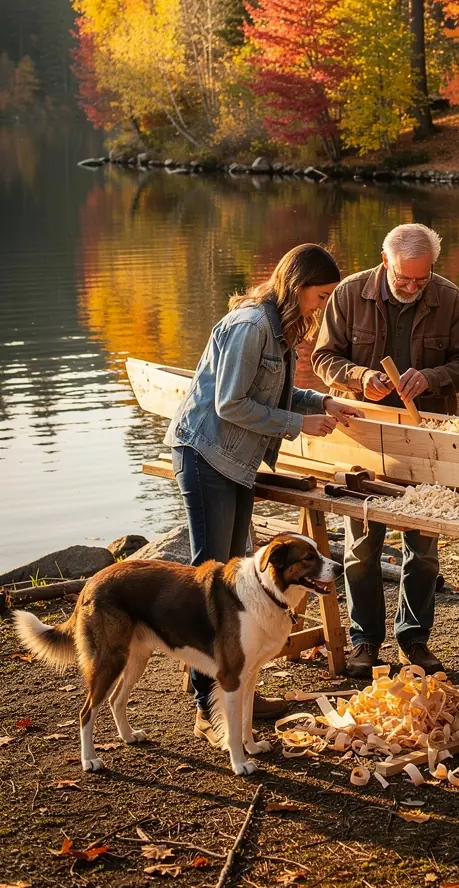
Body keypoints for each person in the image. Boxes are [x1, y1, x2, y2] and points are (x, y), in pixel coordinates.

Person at [165, 244, 362, 741]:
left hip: (237, 460)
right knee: (211, 581)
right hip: (208, 453)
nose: (322, 306)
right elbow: (231, 404)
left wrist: (325, 401)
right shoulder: (252, 326)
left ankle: (237, 686)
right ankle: (206, 706)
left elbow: (270, 394)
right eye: (320, 296)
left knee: (236, 579)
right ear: (297, 288)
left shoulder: (280, 327)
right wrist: (300, 422)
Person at [312, 222, 459, 678]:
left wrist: (431, 378)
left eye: (420, 280)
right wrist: (358, 377)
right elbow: (322, 358)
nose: (411, 287)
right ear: (385, 261)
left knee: (423, 548)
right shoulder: (348, 295)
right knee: (362, 545)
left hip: (426, 437)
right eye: (403, 278)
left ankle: (413, 637)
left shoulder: (449, 299)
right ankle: (365, 640)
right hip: (363, 437)